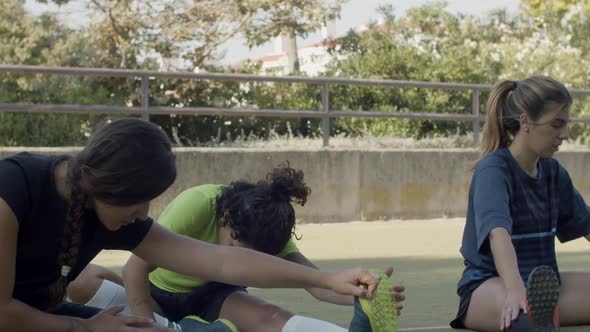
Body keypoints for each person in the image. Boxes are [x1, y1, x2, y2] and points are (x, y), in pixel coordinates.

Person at [0, 118, 391, 332]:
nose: (144, 213)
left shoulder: (110, 209)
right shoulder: (13, 189)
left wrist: (326, 280)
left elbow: (221, 262)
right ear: (108, 186)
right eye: (141, 201)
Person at [67, 163, 404, 332]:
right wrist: (144, 321)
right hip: (157, 292)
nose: (246, 260)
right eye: (239, 249)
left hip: (217, 297)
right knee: (82, 281)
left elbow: (316, 284)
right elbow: (136, 268)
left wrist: (363, 296)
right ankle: (173, 326)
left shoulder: (268, 229)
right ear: (226, 218)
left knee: (272, 316)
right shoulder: (197, 203)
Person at [450, 76, 590, 332]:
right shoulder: (493, 170)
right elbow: (498, 235)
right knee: (528, 320)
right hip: (490, 286)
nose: (565, 134)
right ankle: (535, 315)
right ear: (526, 121)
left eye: (566, 125)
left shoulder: (552, 172)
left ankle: (541, 312)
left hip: (545, 290)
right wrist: (515, 289)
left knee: (537, 310)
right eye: (557, 124)